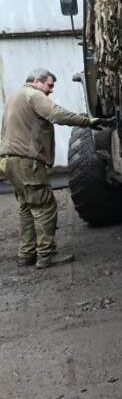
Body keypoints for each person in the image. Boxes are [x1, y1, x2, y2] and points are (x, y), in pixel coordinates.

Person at [0, 68, 106, 268]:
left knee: (26, 206)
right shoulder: (33, 94)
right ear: (37, 81)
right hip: (26, 161)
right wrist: (88, 121)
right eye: (49, 85)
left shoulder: (14, 96)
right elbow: (56, 114)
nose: (50, 91)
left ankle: (27, 254)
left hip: (8, 160)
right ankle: (46, 255)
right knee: (44, 206)